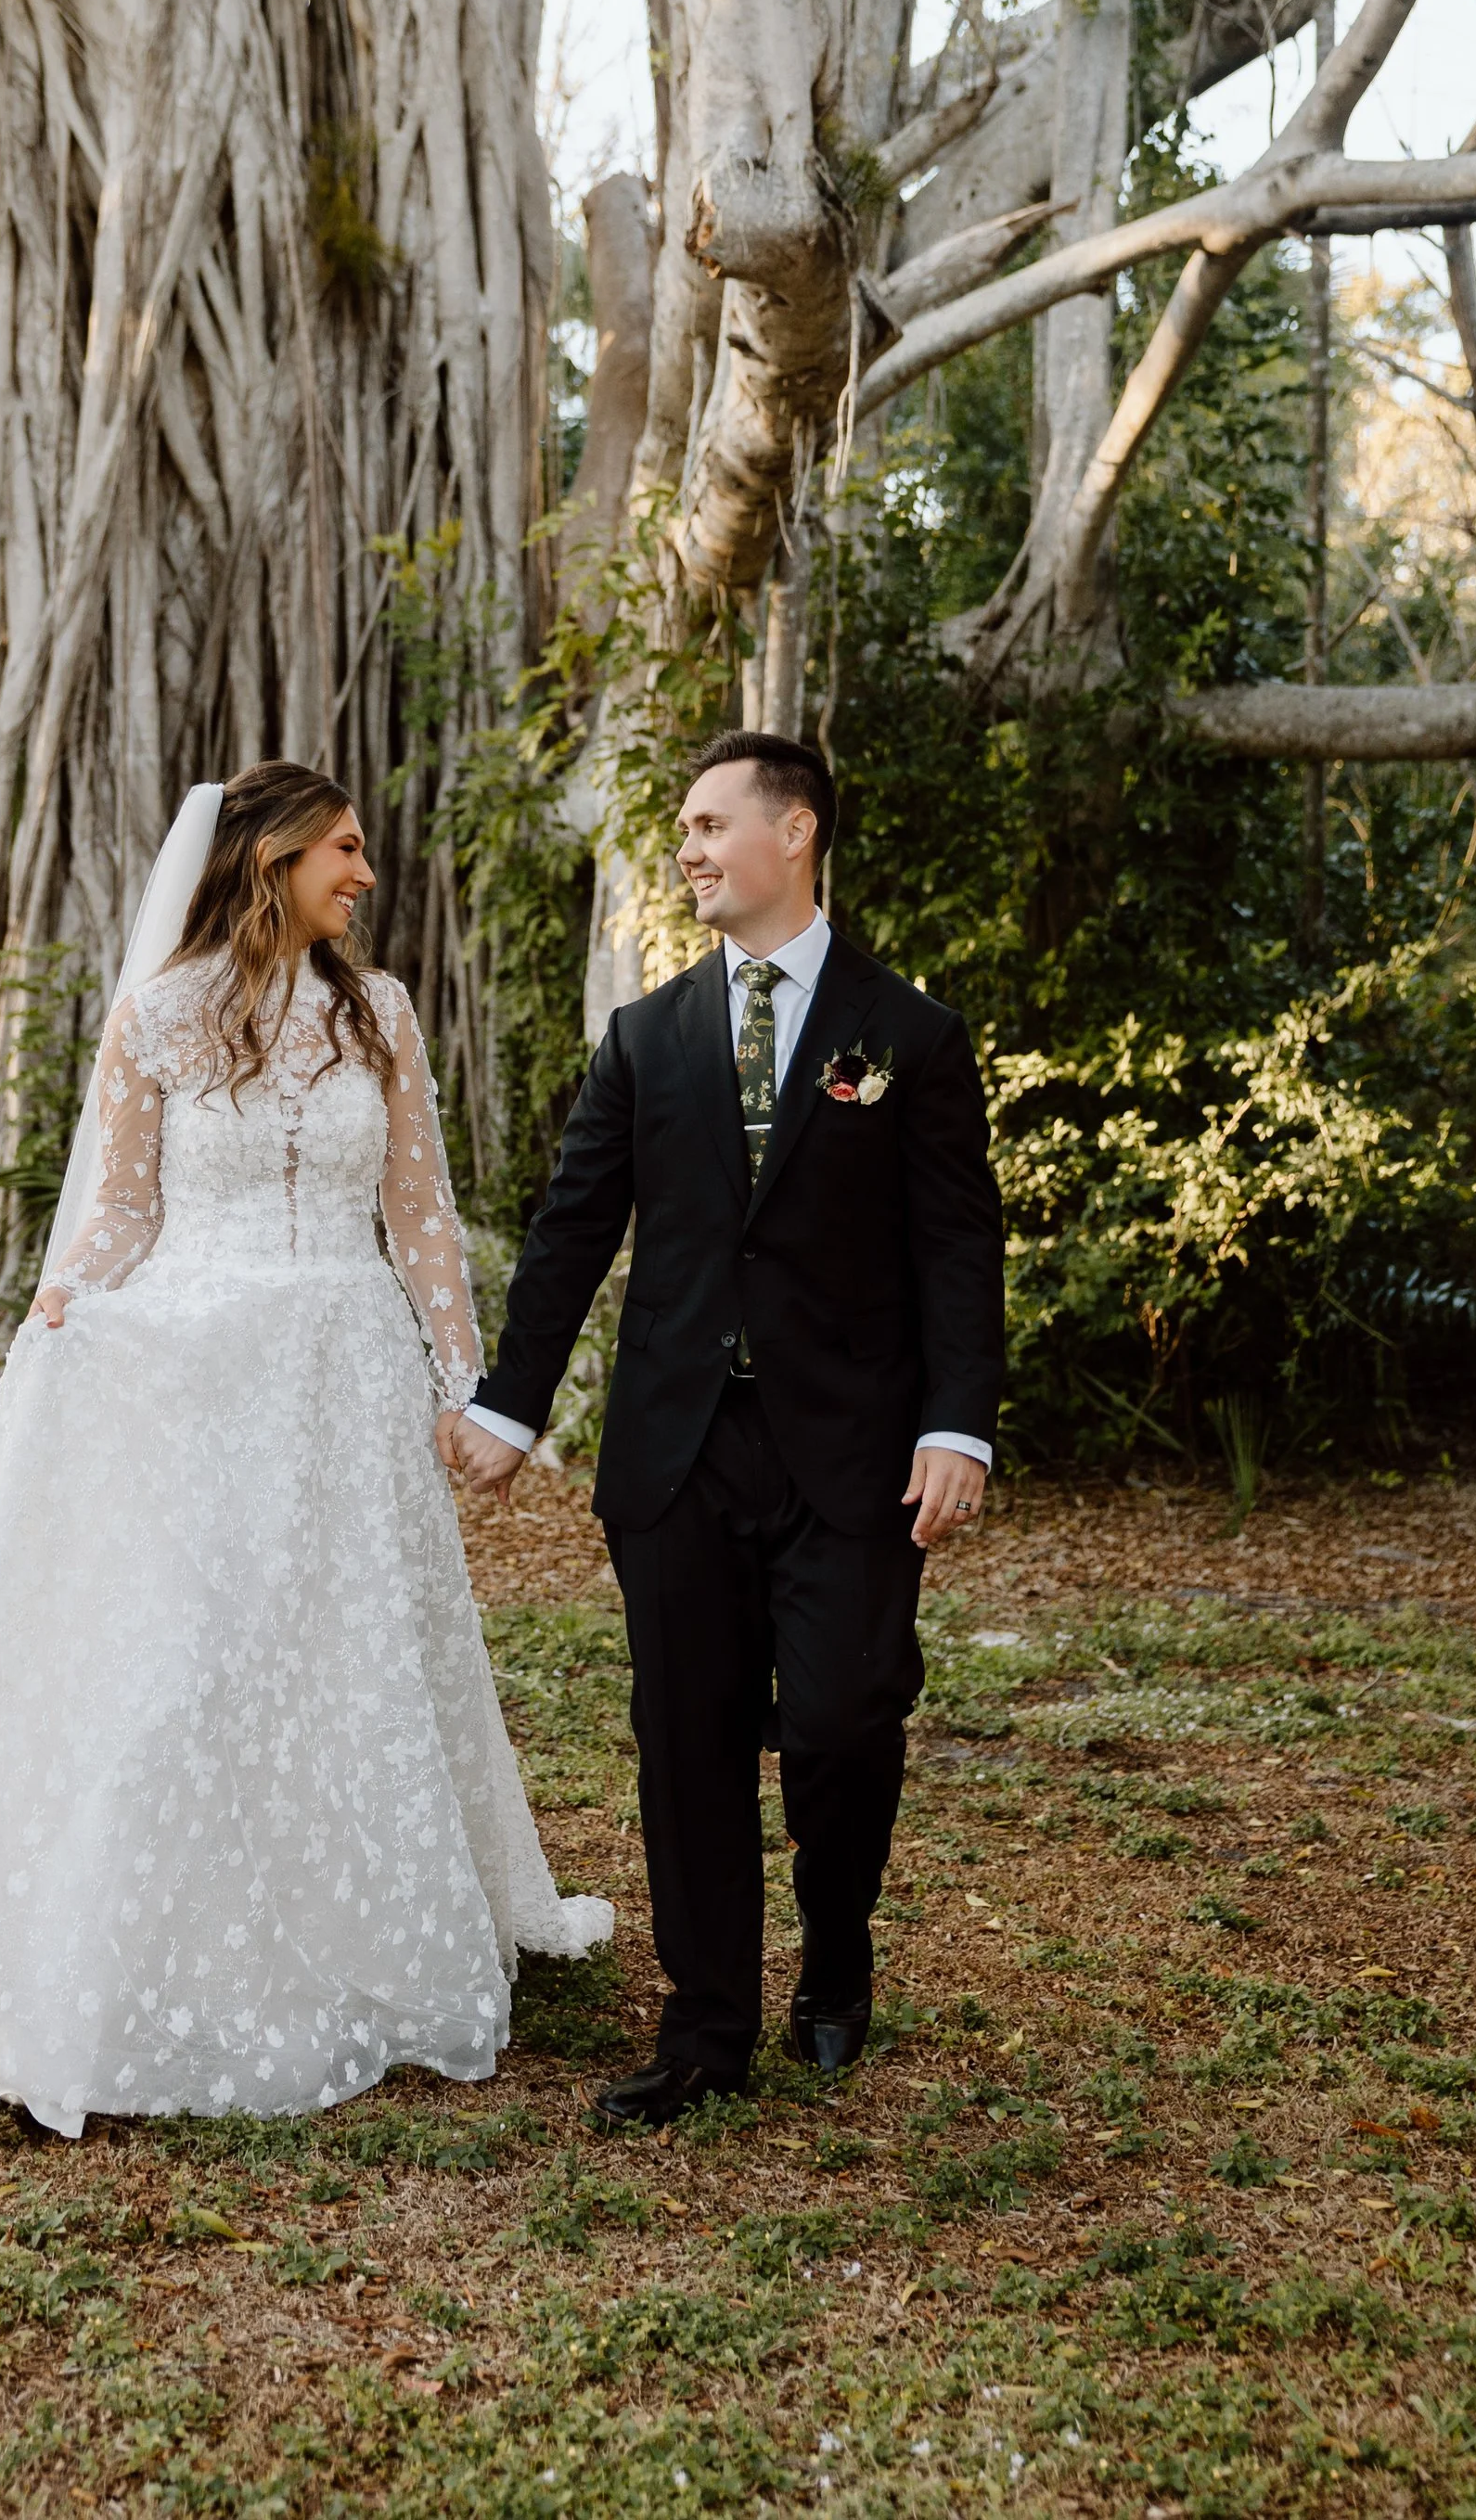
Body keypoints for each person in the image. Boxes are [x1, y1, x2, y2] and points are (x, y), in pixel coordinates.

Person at [0, 761, 609, 2134]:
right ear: (273, 853)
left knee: (344, 1648)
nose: (363, 873)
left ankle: (356, 1924)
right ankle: (145, 1932)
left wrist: (470, 1382)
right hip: (197, 1363)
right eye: (344, 849)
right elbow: (119, 1207)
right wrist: (69, 1305)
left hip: (343, 1368)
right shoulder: (161, 1014)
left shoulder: (382, 1012)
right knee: (190, 1645)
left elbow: (418, 1210)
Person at [441, 731, 1004, 2122]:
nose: (688, 849)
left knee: (840, 1718)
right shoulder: (646, 1038)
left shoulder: (908, 1038)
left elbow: (957, 1251)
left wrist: (960, 1426)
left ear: (796, 829)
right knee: (685, 1736)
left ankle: (840, 1947)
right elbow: (573, 1235)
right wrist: (510, 1402)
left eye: (710, 824)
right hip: (678, 1452)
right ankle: (704, 2028)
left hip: (856, 1456)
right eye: (682, 831)